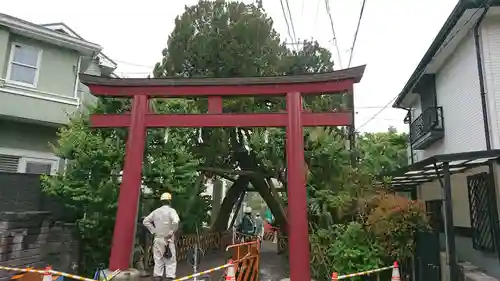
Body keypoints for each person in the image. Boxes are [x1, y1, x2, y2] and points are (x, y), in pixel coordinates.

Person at [143, 192, 180, 281]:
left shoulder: (156, 211)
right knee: (170, 261)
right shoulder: (171, 211)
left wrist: (154, 231)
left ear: (161, 201)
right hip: (168, 240)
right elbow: (176, 221)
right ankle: (169, 278)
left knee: (158, 260)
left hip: (157, 239)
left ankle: (157, 277)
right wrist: (172, 231)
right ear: (169, 201)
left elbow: (145, 221)